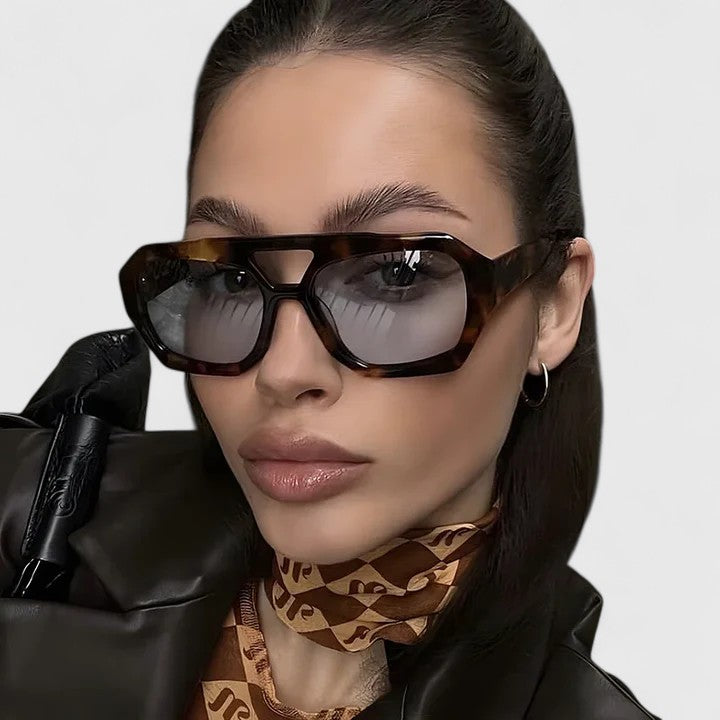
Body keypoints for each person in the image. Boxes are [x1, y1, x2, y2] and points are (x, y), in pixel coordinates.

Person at [115, 1, 661, 717]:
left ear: (554, 305)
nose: (285, 371)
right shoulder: (43, 550)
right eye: (228, 278)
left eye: (396, 276)